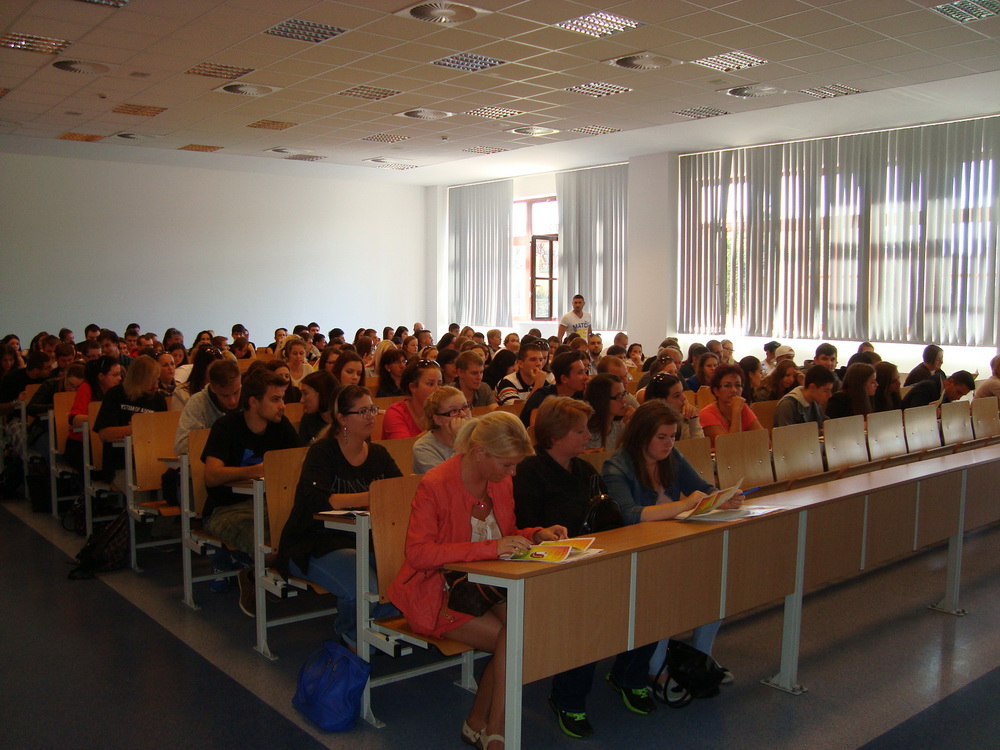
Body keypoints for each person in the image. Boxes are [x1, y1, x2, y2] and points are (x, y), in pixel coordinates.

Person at [388, 412, 566, 750]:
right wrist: (490, 548)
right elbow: (419, 554)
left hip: (487, 588)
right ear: (480, 452)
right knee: (516, 637)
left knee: (520, 630)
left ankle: (482, 725)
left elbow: (506, 534)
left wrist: (536, 534)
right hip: (439, 593)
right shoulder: (436, 484)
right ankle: (492, 729)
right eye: (507, 464)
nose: (513, 473)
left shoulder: (500, 481)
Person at [513, 396, 658, 737]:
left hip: (591, 559)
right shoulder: (529, 471)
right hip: (548, 568)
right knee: (587, 611)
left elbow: (608, 519)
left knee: (648, 595)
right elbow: (523, 526)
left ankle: (628, 675)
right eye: (580, 431)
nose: (588, 437)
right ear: (555, 435)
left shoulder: (585, 470)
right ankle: (568, 698)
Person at [602, 401, 741, 690]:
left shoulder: (671, 456)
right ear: (642, 436)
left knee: (714, 587)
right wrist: (683, 505)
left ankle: (701, 659)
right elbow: (629, 514)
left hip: (673, 543)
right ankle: (656, 671)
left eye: (673, 437)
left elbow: (701, 486)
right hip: (639, 552)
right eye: (662, 437)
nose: (669, 444)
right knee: (663, 597)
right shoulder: (617, 466)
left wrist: (722, 497)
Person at [278, 384, 401, 644]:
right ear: (342, 419)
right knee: (365, 588)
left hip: (362, 540)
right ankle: (352, 633)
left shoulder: (378, 454)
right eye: (362, 412)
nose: (371, 417)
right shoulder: (322, 452)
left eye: (372, 409)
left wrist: (380, 496)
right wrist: (372, 496)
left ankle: (374, 631)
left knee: (400, 578)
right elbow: (319, 500)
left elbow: (397, 493)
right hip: (314, 542)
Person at [201, 369, 298, 613]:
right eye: (275, 399)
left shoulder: (282, 427)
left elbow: (298, 465)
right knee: (268, 546)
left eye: (282, 398)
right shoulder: (226, 427)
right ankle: (254, 574)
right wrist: (254, 470)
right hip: (227, 509)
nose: (282, 406)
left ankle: (257, 574)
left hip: (268, 504)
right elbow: (212, 476)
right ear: (254, 402)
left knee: (300, 533)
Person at [93, 355, 167, 487]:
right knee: (142, 488)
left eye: (157, 380)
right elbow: (104, 434)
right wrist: (138, 428)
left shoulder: (158, 399)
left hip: (150, 461)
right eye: (151, 381)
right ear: (138, 378)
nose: (156, 385)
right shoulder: (115, 394)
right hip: (121, 464)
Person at [64, 356, 123, 474]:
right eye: (115, 375)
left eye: (120, 374)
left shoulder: (118, 391)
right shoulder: (87, 388)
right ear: (101, 376)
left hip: (105, 441)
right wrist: (102, 419)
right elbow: (74, 419)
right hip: (81, 445)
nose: (119, 378)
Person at [174, 359, 242, 455]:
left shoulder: (250, 399)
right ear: (212, 388)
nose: (232, 401)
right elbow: (182, 447)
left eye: (236, 392)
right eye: (224, 395)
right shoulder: (197, 403)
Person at [699, 364, 765, 447]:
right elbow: (731, 447)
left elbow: (765, 441)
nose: (734, 390)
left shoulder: (743, 408)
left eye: (738, 385)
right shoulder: (706, 414)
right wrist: (736, 411)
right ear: (716, 391)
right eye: (727, 386)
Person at [519, 351, 589, 428]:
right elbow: (536, 431)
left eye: (585, 371)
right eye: (580, 373)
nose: (586, 377)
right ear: (564, 378)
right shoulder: (542, 398)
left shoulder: (580, 395)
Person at [412, 385, 472, 473]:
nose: (463, 414)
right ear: (437, 419)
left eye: (465, 407)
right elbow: (447, 478)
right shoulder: (423, 448)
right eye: (453, 411)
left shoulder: (479, 433)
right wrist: (460, 440)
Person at [381, 358, 442, 439]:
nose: (437, 389)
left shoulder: (443, 410)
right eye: (430, 384)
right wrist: (439, 428)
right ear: (413, 387)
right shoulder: (395, 413)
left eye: (440, 384)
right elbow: (403, 445)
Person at [643, 373, 703, 439]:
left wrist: (693, 419)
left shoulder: (681, 418)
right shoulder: (648, 428)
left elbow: (699, 444)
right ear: (660, 402)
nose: (684, 398)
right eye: (677, 396)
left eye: (682, 392)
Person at [171, 344, 224, 411]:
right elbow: (178, 416)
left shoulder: (224, 389)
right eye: (214, 367)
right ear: (202, 368)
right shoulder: (182, 392)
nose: (218, 371)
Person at [584, 373, 628, 451]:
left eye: (624, 394)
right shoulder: (585, 433)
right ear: (602, 399)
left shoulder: (620, 427)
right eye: (618, 396)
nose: (624, 400)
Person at [298, 370, 338, 444]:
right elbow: (302, 448)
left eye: (305, 393)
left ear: (322, 393)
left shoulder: (345, 419)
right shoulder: (308, 419)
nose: (301, 400)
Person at [901, 370, 975, 409]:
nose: (958, 398)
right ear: (950, 381)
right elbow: (915, 412)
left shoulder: (945, 392)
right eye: (958, 392)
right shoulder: (927, 387)